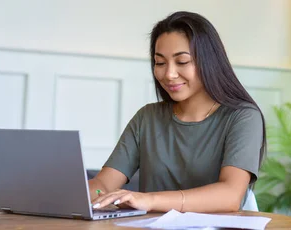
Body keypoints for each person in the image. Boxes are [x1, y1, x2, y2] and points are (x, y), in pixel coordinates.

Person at [88, 11, 266, 213]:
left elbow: (230, 195)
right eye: (160, 63)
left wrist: (150, 200)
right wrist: (80, 194)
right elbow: (103, 185)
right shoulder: (147, 118)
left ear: (209, 61)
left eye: (182, 62)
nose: (169, 74)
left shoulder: (243, 117)